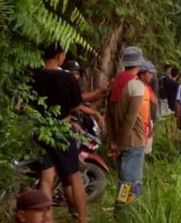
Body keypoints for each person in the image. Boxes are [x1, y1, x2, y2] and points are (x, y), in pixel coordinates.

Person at [31, 46, 88, 223]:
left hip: (42, 131)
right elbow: (76, 107)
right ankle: (83, 220)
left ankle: (48, 221)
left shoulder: (34, 76)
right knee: (74, 176)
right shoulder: (67, 78)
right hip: (62, 130)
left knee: (46, 178)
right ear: (59, 56)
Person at [106, 46, 146, 208]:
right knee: (133, 182)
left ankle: (121, 211)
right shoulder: (136, 86)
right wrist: (120, 144)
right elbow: (130, 119)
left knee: (124, 181)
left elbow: (108, 115)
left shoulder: (115, 83)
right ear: (139, 64)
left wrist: (113, 141)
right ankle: (126, 212)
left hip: (118, 140)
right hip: (133, 141)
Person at [62, 60, 106, 136]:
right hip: (66, 121)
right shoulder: (64, 85)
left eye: (77, 74)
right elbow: (81, 99)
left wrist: (105, 93)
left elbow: (88, 100)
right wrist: (100, 91)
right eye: (73, 73)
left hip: (77, 120)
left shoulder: (77, 86)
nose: (75, 76)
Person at [137, 61, 157, 155]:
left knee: (143, 151)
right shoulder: (136, 87)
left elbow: (149, 104)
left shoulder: (147, 88)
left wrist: (149, 122)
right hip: (137, 125)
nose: (151, 76)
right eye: (149, 73)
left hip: (145, 123)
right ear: (142, 74)